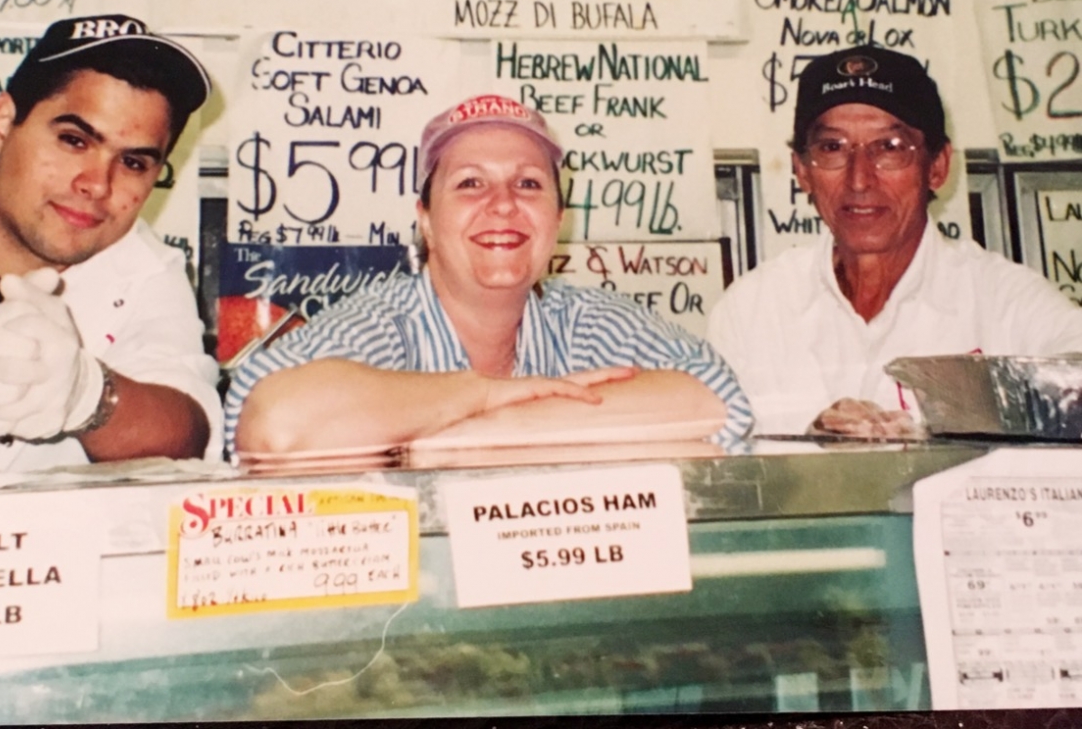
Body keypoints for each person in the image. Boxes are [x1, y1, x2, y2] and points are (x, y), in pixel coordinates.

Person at [226, 94, 752, 457]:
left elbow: (720, 403)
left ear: (557, 220)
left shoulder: (592, 323)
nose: (502, 206)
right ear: (426, 219)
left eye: (527, 184)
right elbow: (268, 423)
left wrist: (459, 444)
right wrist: (481, 393)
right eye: (470, 183)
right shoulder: (379, 327)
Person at [0, 13, 223, 479]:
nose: (97, 185)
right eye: (74, 140)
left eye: (133, 162)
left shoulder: (147, 267)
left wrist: (90, 396)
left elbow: (187, 436)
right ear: (2, 125)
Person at [706, 44, 1082, 437]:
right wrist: (809, 446)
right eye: (832, 148)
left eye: (890, 148)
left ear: (937, 166)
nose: (859, 179)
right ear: (802, 171)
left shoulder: (1005, 302)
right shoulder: (751, 311)